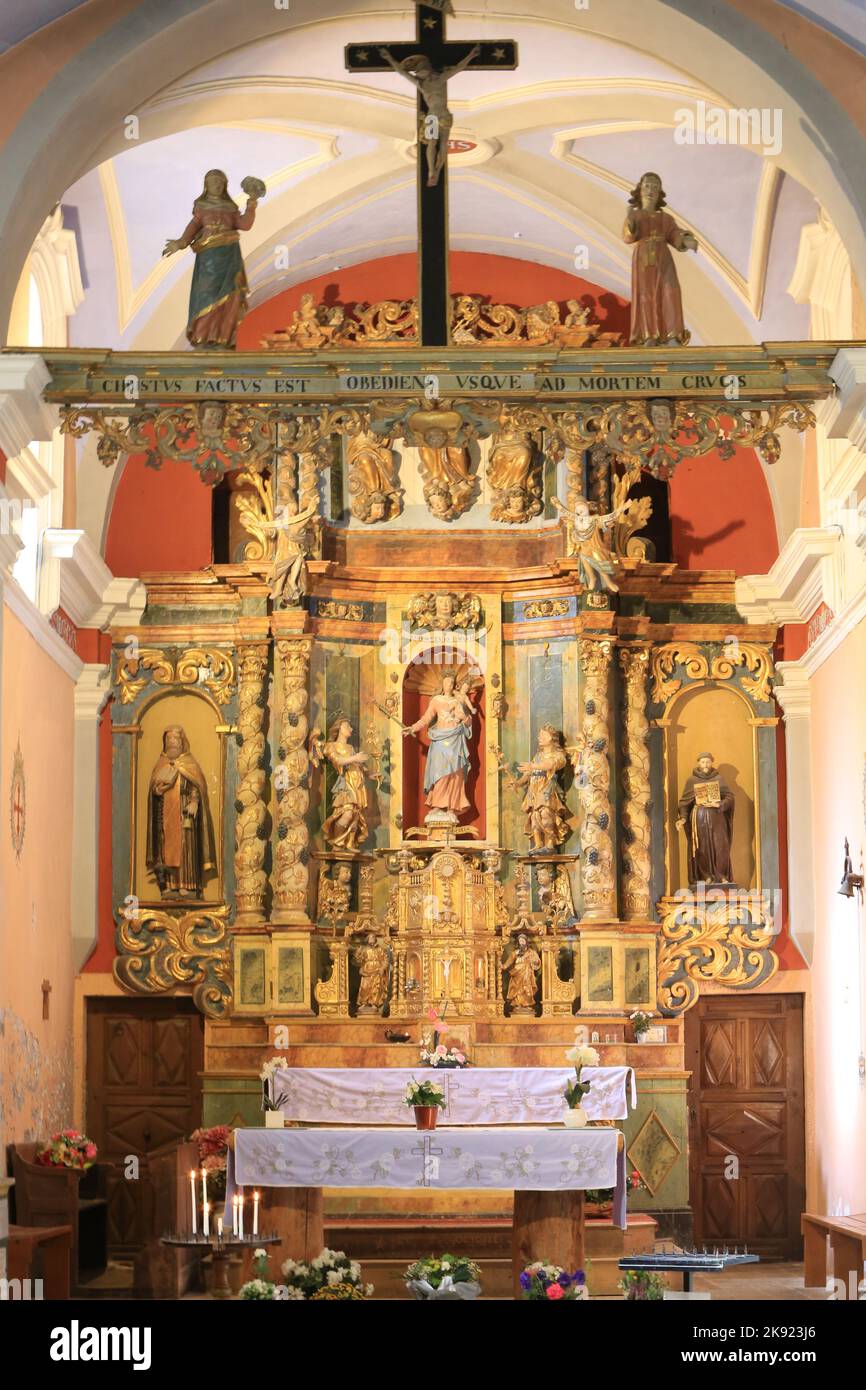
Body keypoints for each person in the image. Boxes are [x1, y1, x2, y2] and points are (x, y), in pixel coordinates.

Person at [163, 169, 260, 348]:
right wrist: (181, 242)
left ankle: (223, 338)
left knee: (231, 295)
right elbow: (193, 226)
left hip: (230, 256)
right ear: (206, 186)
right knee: (206, 295)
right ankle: (203, 337)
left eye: (220, 182)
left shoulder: (231, 208)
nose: (217, 185)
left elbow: (245, 224)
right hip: (209, 257)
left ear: (224, 186)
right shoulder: (201, 206)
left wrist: (252, 202)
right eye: (213, 182)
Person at [623, 171, 697, 346]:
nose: (651, 190)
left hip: (663, 258)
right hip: (643, 259)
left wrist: (685, 239)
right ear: (640, 191)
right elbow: (628, 237)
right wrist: (630, 219)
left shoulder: (666, 218)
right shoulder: (636, 215)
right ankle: (649, 336)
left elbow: (674, 234)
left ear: (659, 193)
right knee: (645, 295)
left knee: (670, 291)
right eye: (647, 186)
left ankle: (673, 335)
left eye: (655, 187)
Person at [146, 725, 215, 897]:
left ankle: (187, 884)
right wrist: (156, 791)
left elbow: (196, 786)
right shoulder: (161, 764)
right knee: (166, 850)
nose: (172, 743)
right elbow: (153, 790)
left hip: (184, 815)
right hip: (165, 816)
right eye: (168, 739)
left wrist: (194, 802)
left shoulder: (189, 764)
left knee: (186, 849)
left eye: (175, 739)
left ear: (182, 742)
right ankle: (169, 885)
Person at [407, 672, 475, 817]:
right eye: (446, 683)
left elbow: (467, 720)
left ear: (454, 685)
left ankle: (452, 806)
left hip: (455, 740)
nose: (448, 685)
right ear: (442, 685)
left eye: (451, 683)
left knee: (455, 774)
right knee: (439, 773)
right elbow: (426, 718)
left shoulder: (457, 702)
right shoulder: (436, 700)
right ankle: (437, 804)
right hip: (440, 741)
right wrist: (413, 727)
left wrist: (465, 719)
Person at [676, 751, 735, 884]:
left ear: (712, 762)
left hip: (717, 818)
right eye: (703, 762)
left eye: (708, 761)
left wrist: (719, 804)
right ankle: (706, 876)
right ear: (699, 763)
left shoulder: (719, 779)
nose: (705, 764)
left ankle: (722, 876)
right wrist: (683, 818)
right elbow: (684, 802)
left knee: (720, 846)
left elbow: (729, 797)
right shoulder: (692, 781)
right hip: (699, 819)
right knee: (702, 848)